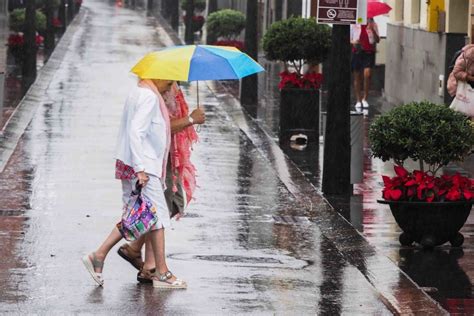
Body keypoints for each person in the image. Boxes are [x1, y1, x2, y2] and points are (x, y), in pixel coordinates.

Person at [82, 78, 188, 289]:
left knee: (141, 215)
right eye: (168, 85)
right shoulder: (149, 97)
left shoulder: (140, 92)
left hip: (136, 164)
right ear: (157, 78)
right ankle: (162, 272)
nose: (169, 90)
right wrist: (140, 168)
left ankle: (99, 255)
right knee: (156, 216)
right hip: (143, 166)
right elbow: (136, 132)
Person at [116, 82, 205, 284]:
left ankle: (136, 253)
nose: (173, 83)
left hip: (165, 159)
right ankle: (149, 265)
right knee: (157, 211)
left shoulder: (163, 91)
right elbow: (160, 128)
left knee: (159, 209)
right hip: (155, 162)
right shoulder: (153, 95)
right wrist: (191, 119)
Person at [350, 18, 379, 109]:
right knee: (357, 76)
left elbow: (377, 40)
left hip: (368, 52)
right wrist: (354, 42)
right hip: (357, 52)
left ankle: (365, 98)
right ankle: (358, 100)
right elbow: (349, 39)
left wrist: (373, 30)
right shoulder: (355, 24)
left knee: (367, 74)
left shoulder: (373, 24)